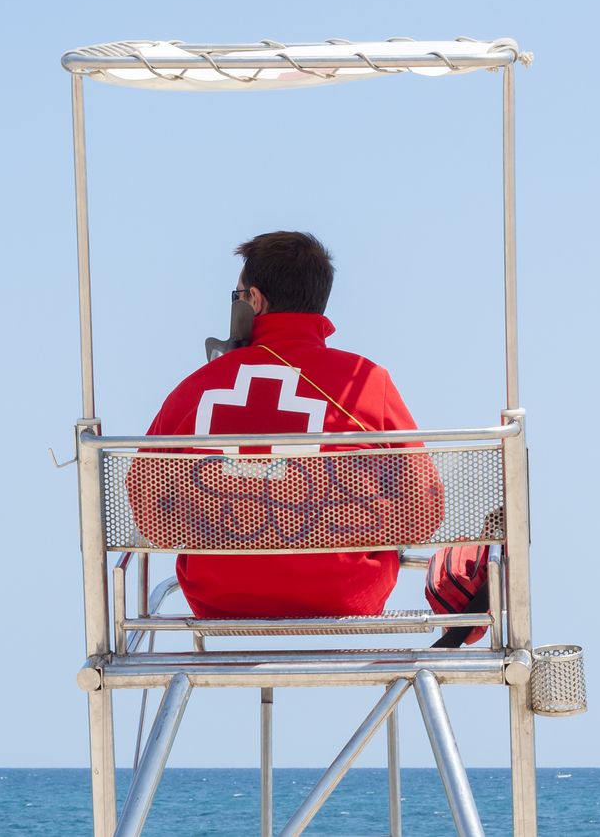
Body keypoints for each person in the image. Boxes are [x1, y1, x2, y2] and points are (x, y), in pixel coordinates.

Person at [126, 231, 443, 619]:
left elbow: (145, 500)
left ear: (253, 301)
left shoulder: (197, 387)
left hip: (219, 597)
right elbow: (425, 510)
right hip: (343, 593)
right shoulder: (368, 382)